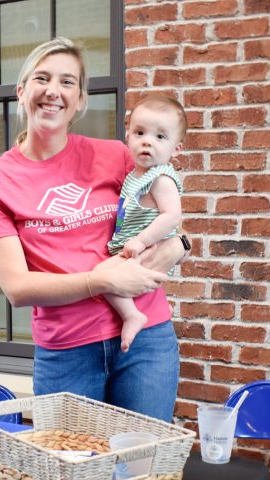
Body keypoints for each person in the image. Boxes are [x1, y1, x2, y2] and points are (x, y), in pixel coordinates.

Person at [0, 37, 190, 423]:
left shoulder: (116, 155)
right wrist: (98, 281)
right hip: (67, 351)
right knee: (71, 470)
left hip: (146, 340)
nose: (53, 91)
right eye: (42, 78)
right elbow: (18, 289)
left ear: (81, 100)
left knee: (143, 467)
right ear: (22, 92)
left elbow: (165, 222)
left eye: (68, 82)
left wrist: (180, 246)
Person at [94, 95, 186, 352]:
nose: (147, 141)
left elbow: (172, 216)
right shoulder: (136, 174)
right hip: (132, 246)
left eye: (160, 137)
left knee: (102, 276)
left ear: (175, 149)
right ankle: (148, 307)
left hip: (143, 247)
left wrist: (141, 240)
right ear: (128, 138)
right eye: (140, 133)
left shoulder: (161, 178)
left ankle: (132, 315)